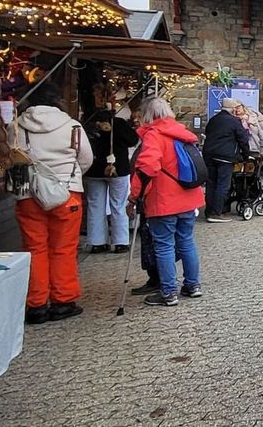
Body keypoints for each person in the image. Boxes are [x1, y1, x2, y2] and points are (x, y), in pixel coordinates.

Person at [9, 86, 94, 324]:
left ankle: (36, 305)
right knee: (63, 248)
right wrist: (69, 177)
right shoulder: (72, 126)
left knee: (34, 249)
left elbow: (11, 158)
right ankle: (63, 301)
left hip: (28, 194)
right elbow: (86, 159)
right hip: (66, 194)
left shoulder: (16, 126)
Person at [127, 97, 206, 307]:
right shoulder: (182, 133)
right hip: (188, 197)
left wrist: (134, 197)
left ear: (146, 115)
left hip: (164, 200)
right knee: (187, 242)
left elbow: (146, 169)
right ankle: (192, 285)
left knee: (163, 246)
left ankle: (168, 292)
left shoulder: (154, 135)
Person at [82, 106, 139, 254]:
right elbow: (133, 140)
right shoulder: (118, 123)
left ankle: (96, 242)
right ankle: (120, 241)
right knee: (118, 205)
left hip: (94, 169)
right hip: (117, 168)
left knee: (95, 205)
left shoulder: (87, 124)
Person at [202, 97, 250, 222]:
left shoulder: (213, 120)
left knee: (211, 184)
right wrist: (246, 155)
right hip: (225, 157)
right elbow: (243, 139)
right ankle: (216, 212)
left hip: (209, 155)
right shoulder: (234, 121)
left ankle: (209, 211)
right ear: (233, 109)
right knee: (223, 185)